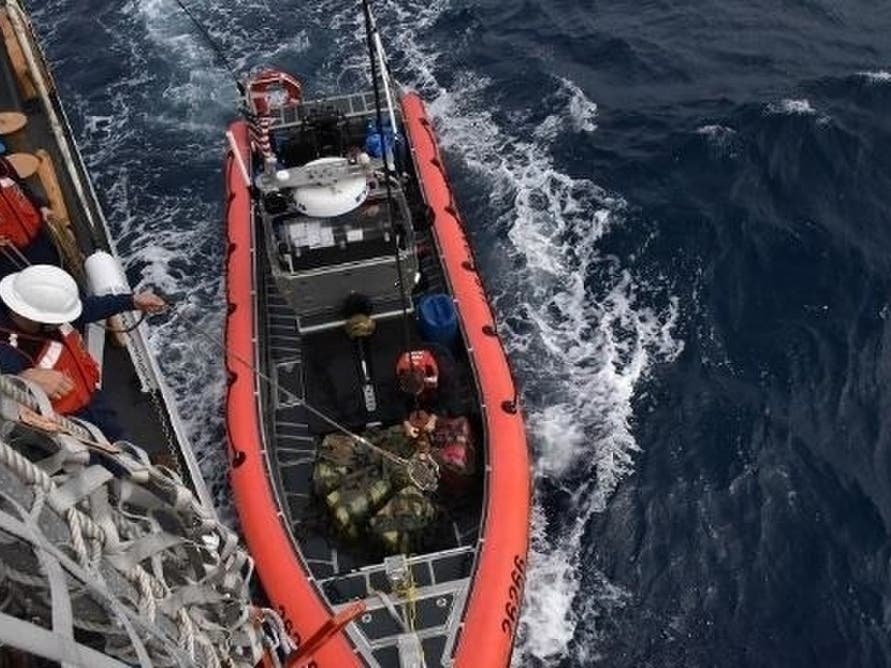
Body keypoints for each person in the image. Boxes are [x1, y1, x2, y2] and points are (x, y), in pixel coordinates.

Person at [0, 264, 165, 441]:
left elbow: (87, 309)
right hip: (64, 424)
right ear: (35, 316)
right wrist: (23, 378)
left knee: (121, 440)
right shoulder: (6, 351)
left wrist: (131, 301)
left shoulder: (50, 316)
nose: (67, 319)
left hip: (92, 398)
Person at [0, 155, 61, 275]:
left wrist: (41, 207)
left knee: (55, 272)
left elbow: (22, 187)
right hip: (8, 252)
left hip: (36, 237)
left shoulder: (3, 164)